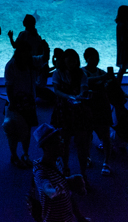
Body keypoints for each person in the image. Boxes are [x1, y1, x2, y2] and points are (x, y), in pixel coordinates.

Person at [32, 123, 87, 222]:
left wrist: (80, 217)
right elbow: (46, 188)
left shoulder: (57, 163)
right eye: (57, 141)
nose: (63, 144)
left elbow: (68, 194)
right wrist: (54, 192)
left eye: (61, 139)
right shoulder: (40, 171)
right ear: (46, 146)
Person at [51, 49, 91, 177]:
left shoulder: (82, 73)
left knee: (81, 143)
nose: (71, 64)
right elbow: (56, 91)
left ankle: (83, 173)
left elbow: (84, 89)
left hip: (78, 111)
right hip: (63, 110)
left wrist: (81, 95)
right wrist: (70, 96)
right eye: (68, 62)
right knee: (64, 141)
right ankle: (65, 168)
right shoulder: (58, 73)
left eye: (73, 62)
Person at [3, 38, 38, 169]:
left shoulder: (30, 63)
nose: (28, 55)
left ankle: (25, 154)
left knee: (27, 131)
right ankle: (14, 155)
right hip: (15, 103)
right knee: (12, 130)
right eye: (26, 52)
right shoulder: (11, 65)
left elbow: (42, 61)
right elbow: (9, 87)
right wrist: (12, 103)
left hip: (28, 102)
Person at [80, 48, 113, 176]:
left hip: (102, 107)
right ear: (86, 58)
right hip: (87, 108)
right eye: (92, 57)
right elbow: (85, 81)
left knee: (105, 136)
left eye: (97, 57)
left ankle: (106, 162)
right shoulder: (82, 72)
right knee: (87, 135)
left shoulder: (102, 72)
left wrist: (110, 81)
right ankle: (87, 157)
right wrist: (103, 78)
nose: (95, 60)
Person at [114, 5, 128, 82]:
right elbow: (125, 40)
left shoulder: (125, 23)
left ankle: (119, 86)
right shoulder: (122, 25)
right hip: (127, 51)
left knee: (124, 69)